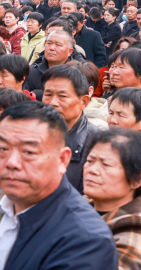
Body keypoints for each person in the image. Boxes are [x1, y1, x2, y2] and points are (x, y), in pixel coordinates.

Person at [0, 101, 116, 270]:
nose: (12, 162)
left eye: (28, 152)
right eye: (3, 149)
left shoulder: (86, 238)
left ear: (63, 159)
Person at [84, 129, 141, 270]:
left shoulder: (134, 228)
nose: (92, 170)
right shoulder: (75, 206)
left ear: (136, 179)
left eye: (106, 164)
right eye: (90, 161)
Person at [41, 64, 101, 193]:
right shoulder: (30, 133)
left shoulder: (98, 142)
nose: (52, 102)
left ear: (83, 102)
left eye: (62, 96)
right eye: (48, 94)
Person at [24, 30, 76, 101]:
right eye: (49, 43)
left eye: (58, 44)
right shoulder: (31, 72)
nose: (51, 48)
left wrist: (37, 94)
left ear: (70, 51)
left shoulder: (76, 73)